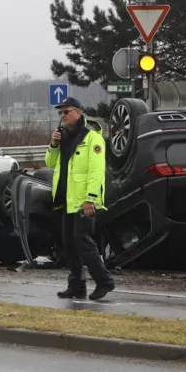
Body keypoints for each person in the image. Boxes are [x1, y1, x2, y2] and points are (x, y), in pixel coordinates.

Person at [46, 97, 115, 300]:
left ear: (78, 112)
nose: (63, 116)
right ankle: (76, 285)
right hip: (66, 199)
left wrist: (90, 198)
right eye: (61, 113)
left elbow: (96, 171)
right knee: (69, 244)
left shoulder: (92, 138)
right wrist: (54, 144)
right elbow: (50, 163)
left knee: (82, 241)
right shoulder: (64, 137)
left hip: (84, 200)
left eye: (66, 112)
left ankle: (104, 281)